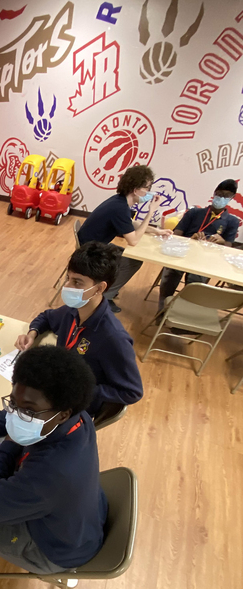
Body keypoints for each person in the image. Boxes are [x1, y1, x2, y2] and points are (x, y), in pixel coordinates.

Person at [0, 346, 107, 574]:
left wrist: (8, 443)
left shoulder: (53, 473)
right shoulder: (79, 417)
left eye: (28, 412)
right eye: (13, 402)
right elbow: (22, 409)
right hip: (77, 519)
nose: (16, 414)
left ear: (63, 414)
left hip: (54, 550)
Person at [15, 242, 143, 418]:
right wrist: (32, 333)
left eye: (77, 282)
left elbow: (132, 392)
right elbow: (46, 317)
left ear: (99, 288)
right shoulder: (73, 310)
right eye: (68, 278)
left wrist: (84, 389)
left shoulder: (113, 338)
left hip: (74, 405)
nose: (67, 286)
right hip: (56, 385)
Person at [78, 165, 168, 313]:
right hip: (89, 253)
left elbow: (130, 224)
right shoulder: (120, 208)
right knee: (132, 261)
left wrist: (156, 230)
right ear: (136, 190)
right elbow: (133, 240)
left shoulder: (119, 202)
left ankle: (109, 288)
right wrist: (151, 211)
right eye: (147, 187)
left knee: (125, 255)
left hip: (92, 245)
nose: (149, 192)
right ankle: (105, 298)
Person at [158, 179, 240, 312]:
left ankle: (183, 312)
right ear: (214, 193)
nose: (222, 198)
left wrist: (222, 241)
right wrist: (190, 238)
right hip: (182, 254)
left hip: (206, 260)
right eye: (219, 194)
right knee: (170, 274)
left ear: (231, 198)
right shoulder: (194, 213)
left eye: (226, 196)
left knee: (196, 282)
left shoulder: (232, 221)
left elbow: (229, 246)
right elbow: (176, 234)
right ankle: (162, 310)